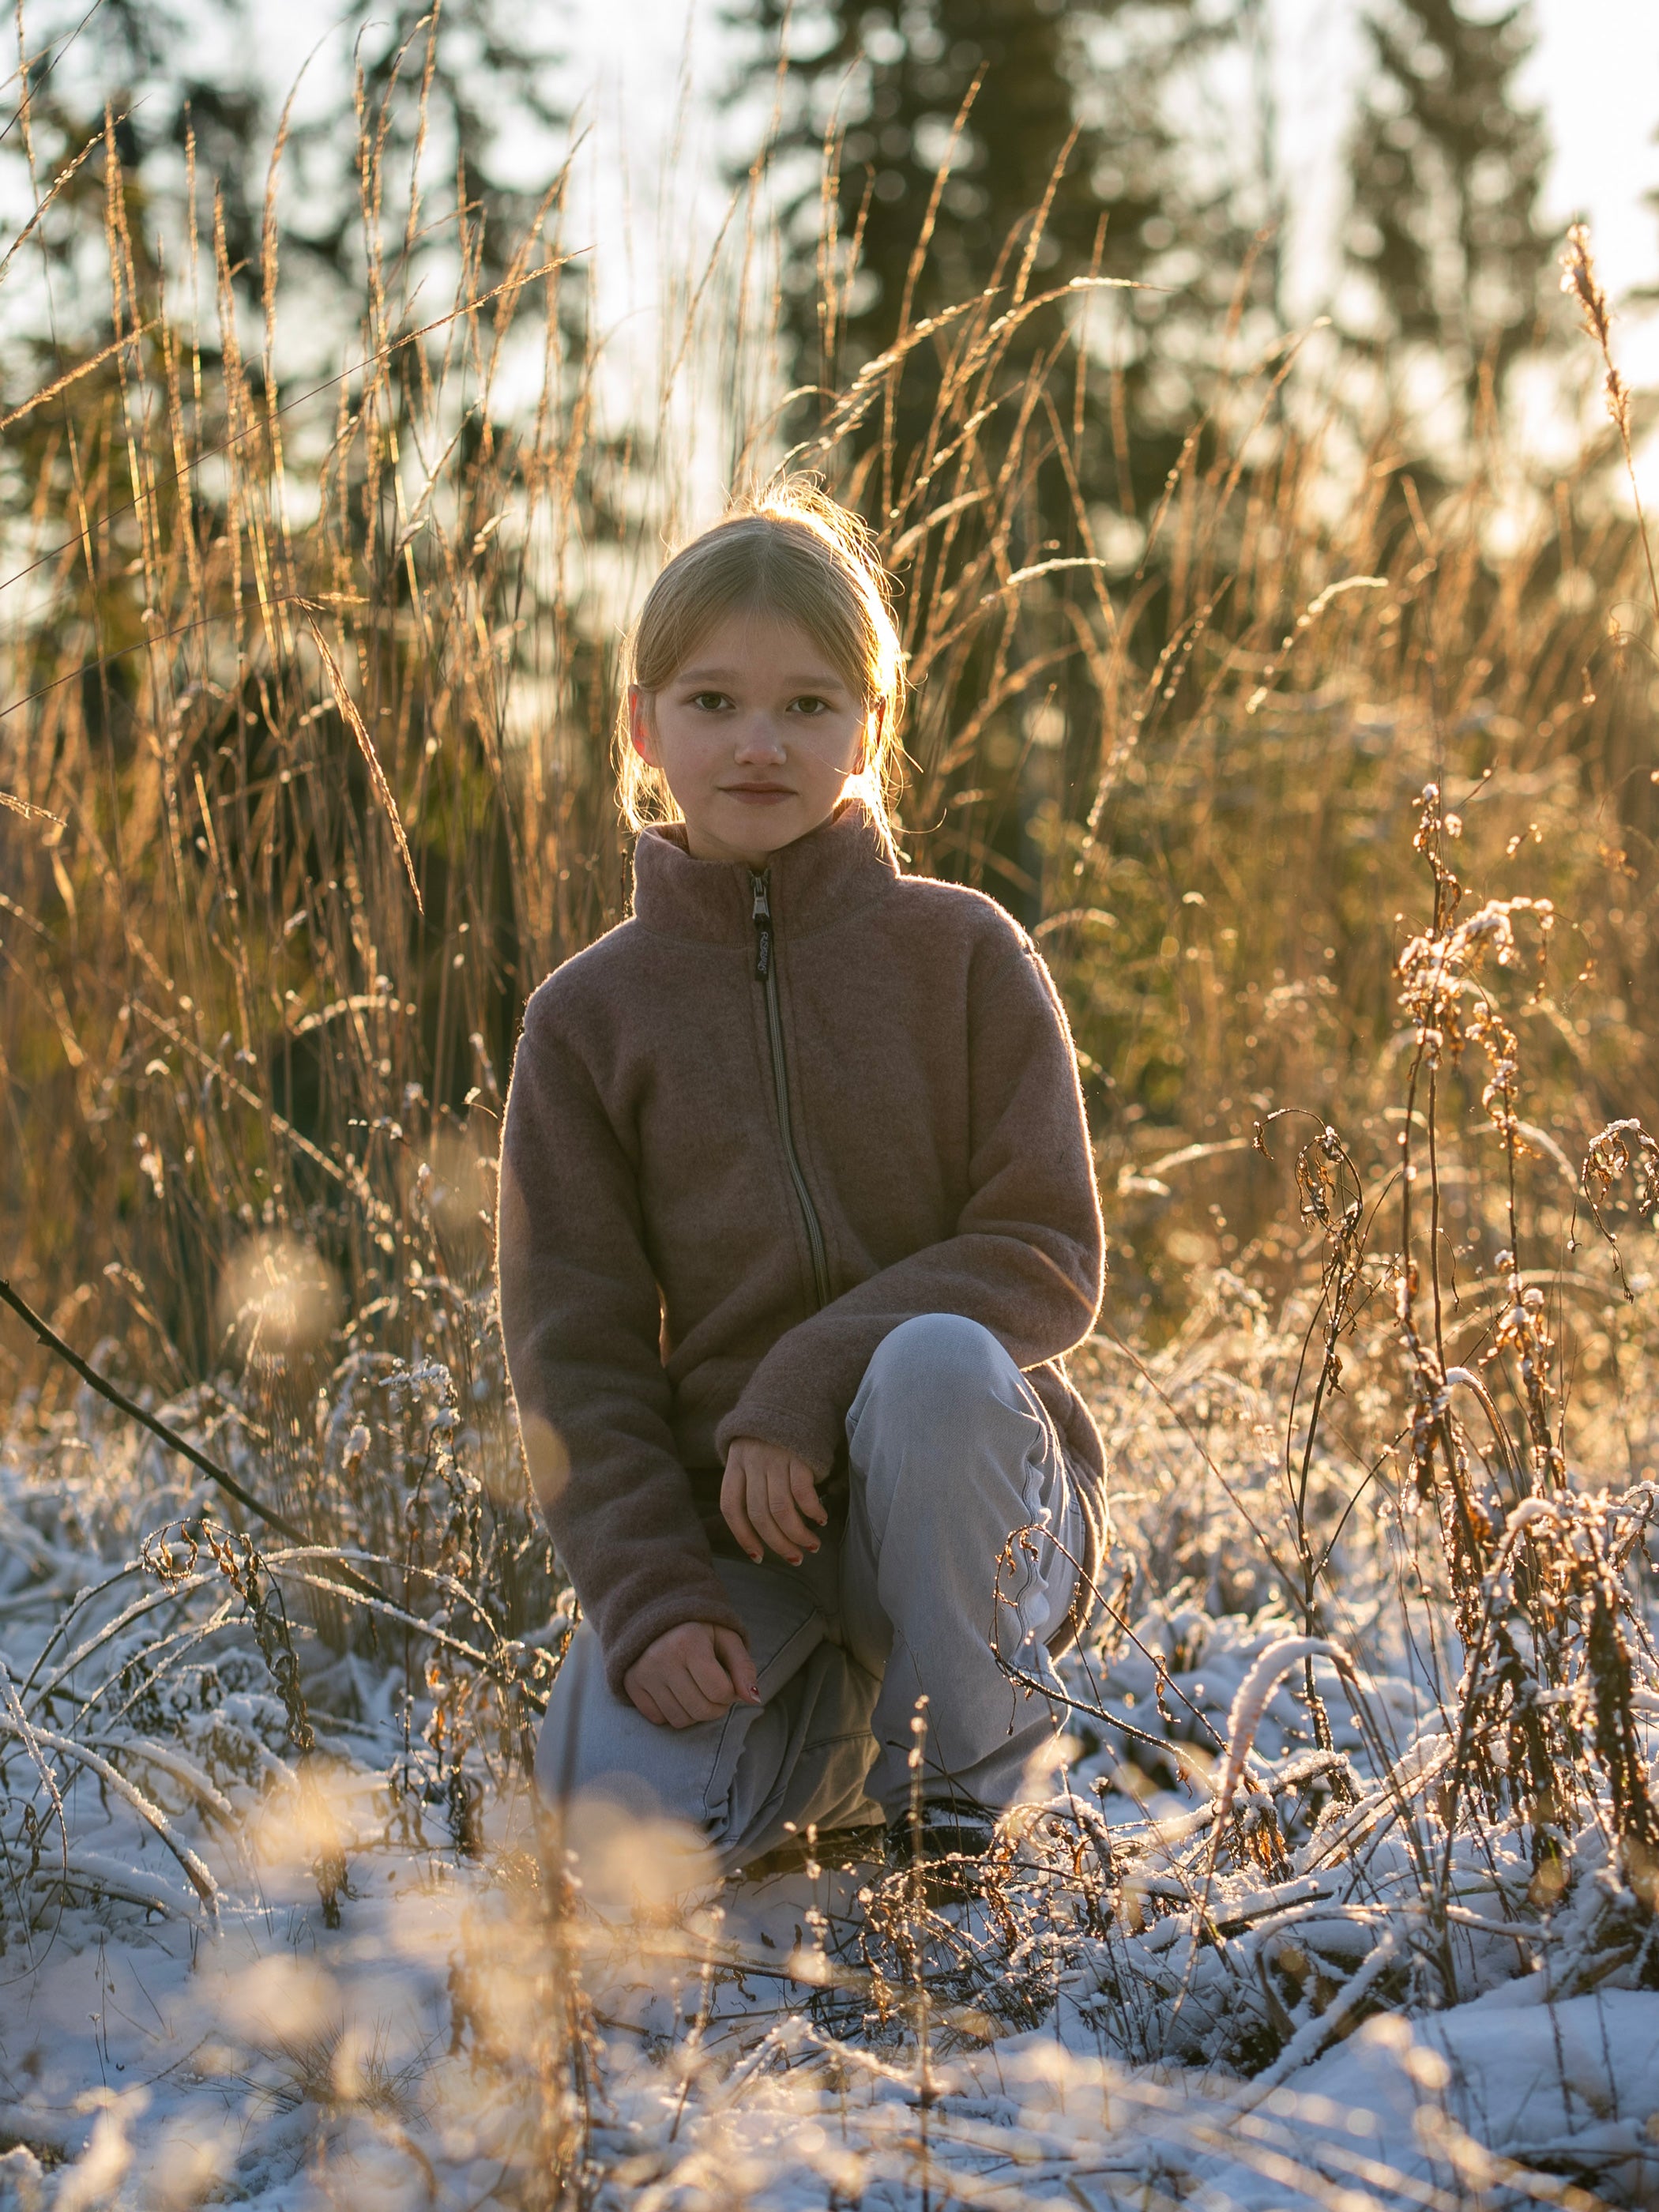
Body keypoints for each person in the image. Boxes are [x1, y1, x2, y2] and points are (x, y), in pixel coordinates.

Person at [497, 482, 1107, 1883]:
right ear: (644, 727)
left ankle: (964, 1812)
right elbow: (575, 1358)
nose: (761, 743)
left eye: (810, 704)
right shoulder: (588, 1022)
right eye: (712, 703)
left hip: (973, 1509)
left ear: (870, 729)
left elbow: (1045, 1252)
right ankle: (827, 1728)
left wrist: (807, 1379)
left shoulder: (963, 954)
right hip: (746, 1544)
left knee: (938, 1365)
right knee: (610, 1842)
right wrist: (651, 1606)